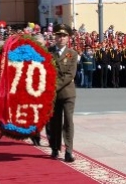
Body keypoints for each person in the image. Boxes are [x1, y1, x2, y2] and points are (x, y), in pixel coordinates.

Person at [48, 23, 78, 162]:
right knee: (54, 122)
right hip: (53, 94)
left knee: (68, 121)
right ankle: (55, 148)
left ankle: (69, 150)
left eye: (64, 36)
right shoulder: (48, 52)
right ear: (55, 37)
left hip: (67, 92)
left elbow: (69, 75)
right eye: (59, 35)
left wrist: (54, 85)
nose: (61, 38)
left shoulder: (72, 54)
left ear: (68, 38)